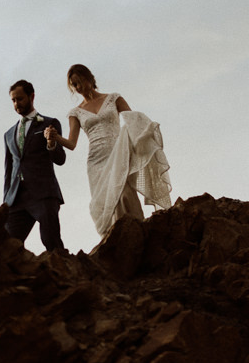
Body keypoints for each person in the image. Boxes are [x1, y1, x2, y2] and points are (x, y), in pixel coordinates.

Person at [47, 63, 172, 238]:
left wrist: (145, 133)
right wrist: (55, 137)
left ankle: (139, 234)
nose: (79, 87)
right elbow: (72, 143)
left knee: (125, 193)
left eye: (80, 81)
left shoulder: (113, 98)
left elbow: (133, 121)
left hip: (118, 154)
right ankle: (114, 241)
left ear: (89, 78)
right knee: (107, 203)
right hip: (95, 161)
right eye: (74, 85)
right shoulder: (75, 112)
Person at [2, 79, 67, 251]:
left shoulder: (50, 123)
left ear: (32, 96)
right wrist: (5, 202)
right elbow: (8, 172)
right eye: (13, 100)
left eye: (20, 99)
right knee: (8, 246)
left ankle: (66, 275)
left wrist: (51, 143)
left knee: (51, 242)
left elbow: (60, 159)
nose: (17, 104)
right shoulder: (8, 134)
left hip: (43, 194)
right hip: (16, 199)